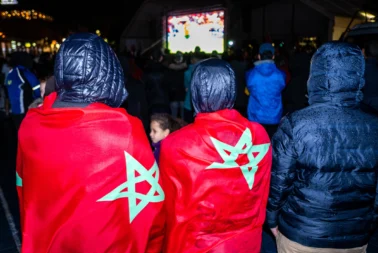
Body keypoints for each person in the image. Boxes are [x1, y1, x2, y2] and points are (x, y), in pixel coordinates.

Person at [16, 33, 165, 253]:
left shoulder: (30, 126)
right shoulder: (124, 129)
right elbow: (150, 208)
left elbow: (24, 194)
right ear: (108, 71)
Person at [267, 42, 378, 253]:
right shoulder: (375, 124)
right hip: (354, 235)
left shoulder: (296, 123)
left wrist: (272, 218)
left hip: (303, 235)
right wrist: (367, 223)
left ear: (316, 73)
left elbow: (278, 181)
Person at [160, 58, 272, 252]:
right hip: (246, 242)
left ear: (194, 91)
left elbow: (169, 209)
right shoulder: (259, 135)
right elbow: (262, 193)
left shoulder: (174, 144)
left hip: (195, 245)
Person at [246, 43, 286, 138]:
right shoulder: (281, 75)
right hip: (274, 116)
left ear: (259, 56)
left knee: (258, 146)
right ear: (273, 56)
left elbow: (249, 88)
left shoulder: (250, 74)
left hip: (256, 116)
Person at [5, 52, 40, 130]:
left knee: (18, 133)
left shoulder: (10, 73)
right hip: (24, 111)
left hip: (13, 111)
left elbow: (7, 89)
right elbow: (37, 89)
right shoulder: (24, 72)